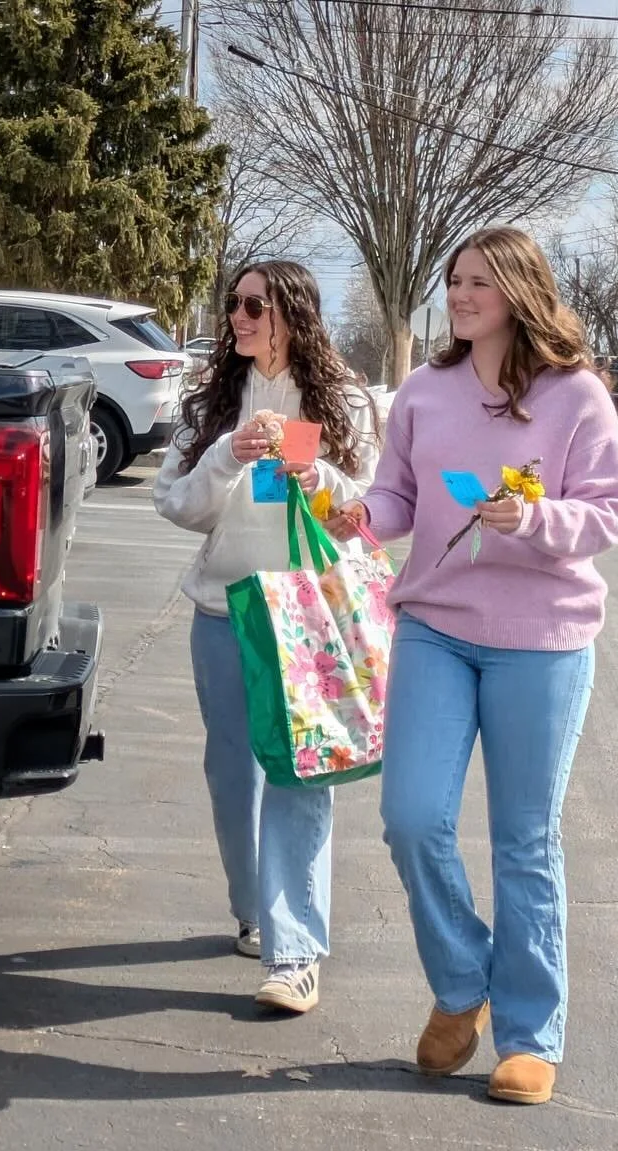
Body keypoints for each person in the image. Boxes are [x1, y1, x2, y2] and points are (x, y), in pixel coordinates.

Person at [326, 226, 618, 1103]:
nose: (459, 296)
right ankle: (463, 986)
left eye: (477, 283)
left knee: (524, 842)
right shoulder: (424, 390)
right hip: (436, 626)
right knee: (412, 815)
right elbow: (396, 496)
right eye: (453, 281)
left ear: (519, 293)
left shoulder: (576, 397)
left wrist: (532, 521)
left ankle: (530, 1035)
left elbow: (608, 513)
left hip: (543, 642)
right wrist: (352, 512)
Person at [154, 260, 381, 1014]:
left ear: (293, 313)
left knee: (299, 779)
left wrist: (317, 476)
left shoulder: (344, 402)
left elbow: (365, 513)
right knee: (233, 776)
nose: (240, 317)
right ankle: (254, 909)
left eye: (255, 304)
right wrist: (226, 455)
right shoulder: (215, 403)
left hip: (308, 618)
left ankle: (294, 953)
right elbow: (176, 505)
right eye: (234, 304)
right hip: (227, 613)